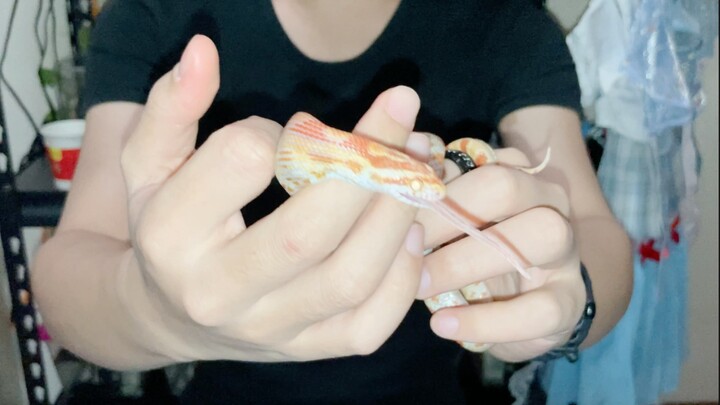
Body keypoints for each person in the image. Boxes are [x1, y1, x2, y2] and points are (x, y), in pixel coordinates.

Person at [31, 0, 633, 403]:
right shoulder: (152, 14)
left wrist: (561, 300)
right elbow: (66, 269)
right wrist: (155, 314)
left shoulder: (506, 21)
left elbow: (595, 236)